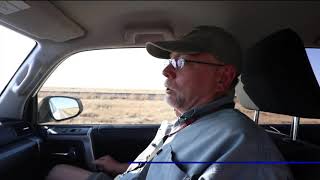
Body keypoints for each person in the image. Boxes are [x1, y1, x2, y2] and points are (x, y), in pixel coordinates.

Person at [46, 26, 293, 180]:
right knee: (58, 171)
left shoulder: (240, 144)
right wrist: (121, 167)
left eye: (180, 62)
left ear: (223, 77)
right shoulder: (189, 123)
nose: (166, 71)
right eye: (169, 62)